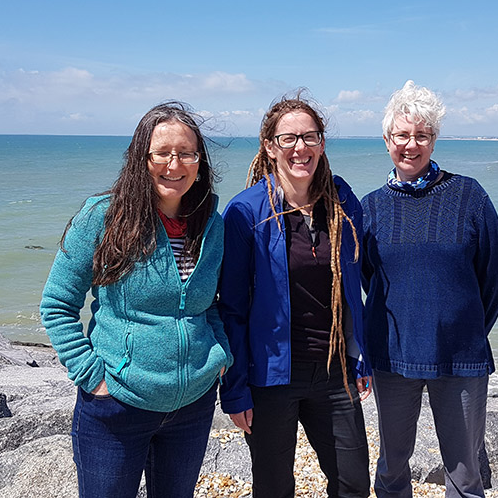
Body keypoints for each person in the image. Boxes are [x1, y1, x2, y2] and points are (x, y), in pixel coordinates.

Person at [40, 102, 231, 498]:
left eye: (186, 153)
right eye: (162, 153)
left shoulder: (210, 224)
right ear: (141, 158)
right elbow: (57, 304)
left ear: (199, 162)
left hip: (192, 405)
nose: (173, 164)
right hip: (117, 406)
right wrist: (92, 376)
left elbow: (207, 302)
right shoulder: (103, 216)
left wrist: (219, 355)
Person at [218, 93, 372, 498]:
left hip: (334, 370)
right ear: (270, 147)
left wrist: (362, 356)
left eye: (310, 137)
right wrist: (234, 388)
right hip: (271, 377)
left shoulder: (343, 203)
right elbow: (231, 308)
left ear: (321, 144)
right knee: (274, 487)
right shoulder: (245, 212)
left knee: (354, 482)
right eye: (288, 139)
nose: (300, 147)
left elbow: (357, 288)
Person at [361, 81, 498, 498]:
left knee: (465, 473)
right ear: (387, 140)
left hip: (460, 356)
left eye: (421, 135)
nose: (411, 144)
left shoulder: (470, 196)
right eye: (402, 135)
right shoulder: (370, 206)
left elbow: (492, 279)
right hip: (391, 357)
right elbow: (368, 280)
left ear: (433, 140)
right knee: (391, 466)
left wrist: (464, 329)